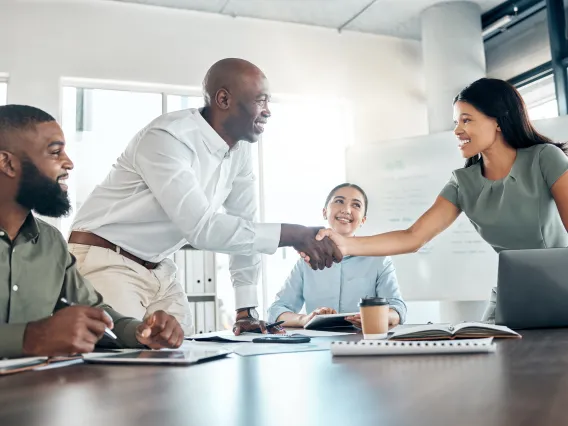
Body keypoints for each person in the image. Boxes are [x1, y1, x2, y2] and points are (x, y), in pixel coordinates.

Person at [68, 58, 341, 336]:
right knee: (120, 367)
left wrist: (245, 310)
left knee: (183, 358)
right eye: (260, 101)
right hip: (106, 259)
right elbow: (202, 228)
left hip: (158, 269)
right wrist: (294, 234)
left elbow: (242, 222)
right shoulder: (167, 137)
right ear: (223, 99)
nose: (268, 112)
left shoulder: (239, 151)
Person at [313, 78, 568, 322]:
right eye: (456, 122)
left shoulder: (545, 158)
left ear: (499, 121)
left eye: (466, 120)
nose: (457, 130)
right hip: (511, 296)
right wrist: (344, 245)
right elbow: (413, 237)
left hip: (561, 288)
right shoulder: (463, 182)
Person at [0, 105, 184, 358]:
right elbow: (35, 338)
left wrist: (142, 331)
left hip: (36, 391)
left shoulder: (51, 243)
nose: (69, 163)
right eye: (55, 152)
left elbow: (99, 314)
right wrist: (31, 337)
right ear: (7, 163)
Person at [268, 183, 406, 328]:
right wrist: (305, 319)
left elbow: (398, 309)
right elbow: (276, 311)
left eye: (356, 205)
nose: (346, 210)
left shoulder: (379, 259)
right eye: (339, 201)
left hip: (362, 342)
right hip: (317, 345)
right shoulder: (307, 260)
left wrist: (374, 317)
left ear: (363, 220)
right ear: (324, 212)